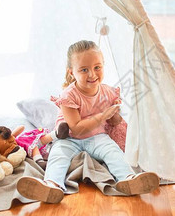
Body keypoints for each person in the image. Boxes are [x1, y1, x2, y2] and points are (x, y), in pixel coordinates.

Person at [17, 40, 159, 203]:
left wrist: (114, 114)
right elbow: (76, 129)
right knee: (58, 156)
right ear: (72, 72)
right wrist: (103, 115)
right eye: (84, 70)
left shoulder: (108, 91)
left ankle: (127, 179)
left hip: (97, 137)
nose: (92, 74)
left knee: (113, 152)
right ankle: (52, 185)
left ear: (103, 66)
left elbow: (114, 122)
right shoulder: (68, 96)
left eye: (97, 67)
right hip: (70, 139)